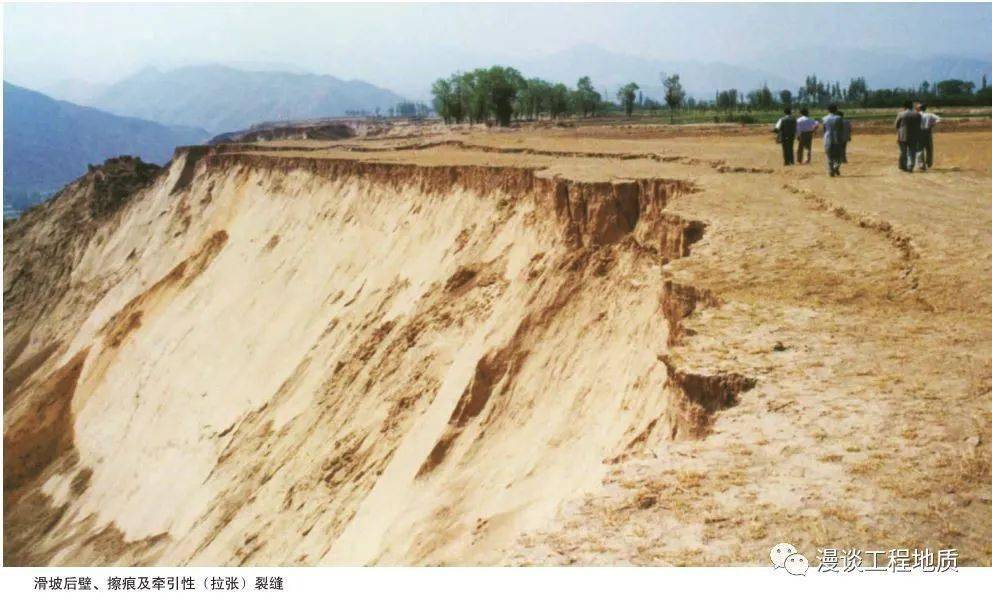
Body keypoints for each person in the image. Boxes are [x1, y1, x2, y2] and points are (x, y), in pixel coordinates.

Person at [895, 100, 922, 172]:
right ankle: (911, 166)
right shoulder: (918, 114)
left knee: (903, 152)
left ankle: (903, 166)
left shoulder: (901, 114)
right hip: (914, 136)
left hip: (902, 136)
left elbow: (896, 125)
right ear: (911, 106)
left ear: (904, 106)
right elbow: (919, 126)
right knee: (912, 151)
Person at [822, 104, 845, 177]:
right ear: (836, 110)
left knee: (829, 155)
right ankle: (836, 167)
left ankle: (831, 170)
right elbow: (841, 128)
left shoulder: (824, 118)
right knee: (839, 155)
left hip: (827, 137)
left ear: (828, 110)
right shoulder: (839, 118)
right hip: (837, 137)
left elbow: (824, 129)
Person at [917, 103, 940, 170]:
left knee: (919, 149)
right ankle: (928, 163)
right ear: (925, 108)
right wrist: (932, 125)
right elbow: (939, 119)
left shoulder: (917, 115)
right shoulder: (929, 115)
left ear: (919, 108)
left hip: (919, 132)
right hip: (928, 132)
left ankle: (921, 165)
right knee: (929, 148)